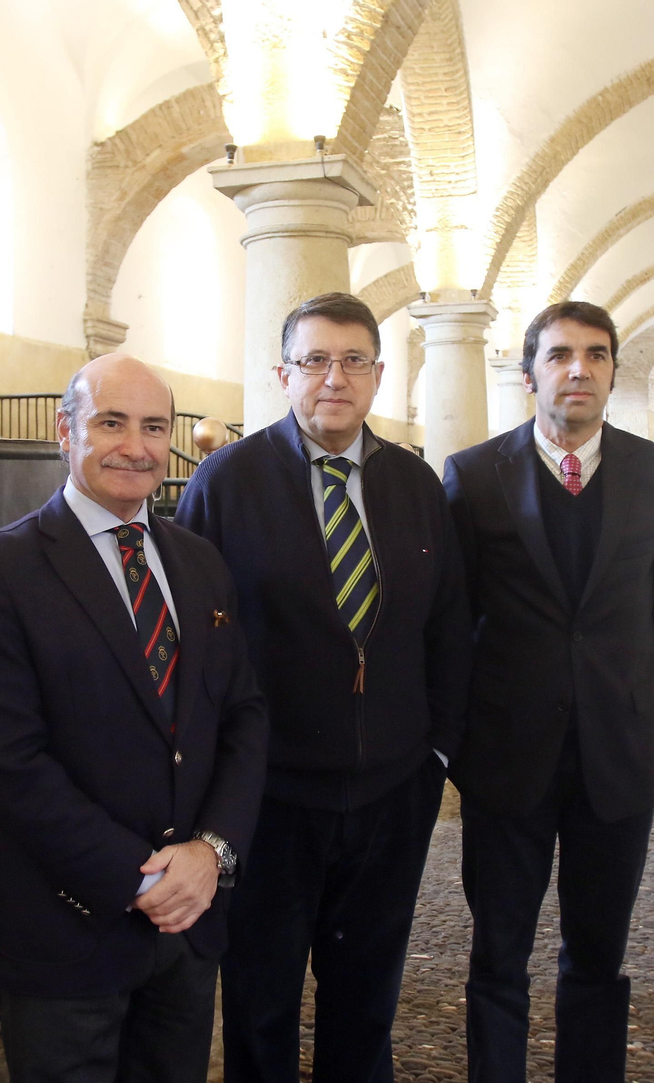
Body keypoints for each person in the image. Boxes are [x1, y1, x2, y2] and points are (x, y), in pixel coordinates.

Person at [0, 353, 268, 1083]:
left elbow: (242, 715)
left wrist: (211, 852)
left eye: (154, 427)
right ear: (66, 431)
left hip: (188, 925)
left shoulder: (200, 562)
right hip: (69, 925)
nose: (136, 445)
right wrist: (140, 878)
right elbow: (11, 764)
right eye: (111, 422)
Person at [175, 292, 470, 1083]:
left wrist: (435, 751)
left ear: (377, 376)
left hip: (392, 793)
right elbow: (197, 649)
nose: (333, 378)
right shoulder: (224, 483)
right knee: (260, 1001)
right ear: (284, 374)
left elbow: (448, 626)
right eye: (314, 359)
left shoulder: (416, 487)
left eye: (353, 361)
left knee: (366, 997)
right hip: (268, 798)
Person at [443, 301, 654, 1083]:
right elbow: (455, 615)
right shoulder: (475, 474)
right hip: (506, 756)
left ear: (614, 370)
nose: (578, 368)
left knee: (597, 953)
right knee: (499, 953)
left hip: (614, 756)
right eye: (559, 355)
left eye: (595, 354)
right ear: (530, 375)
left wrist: (602, 677)